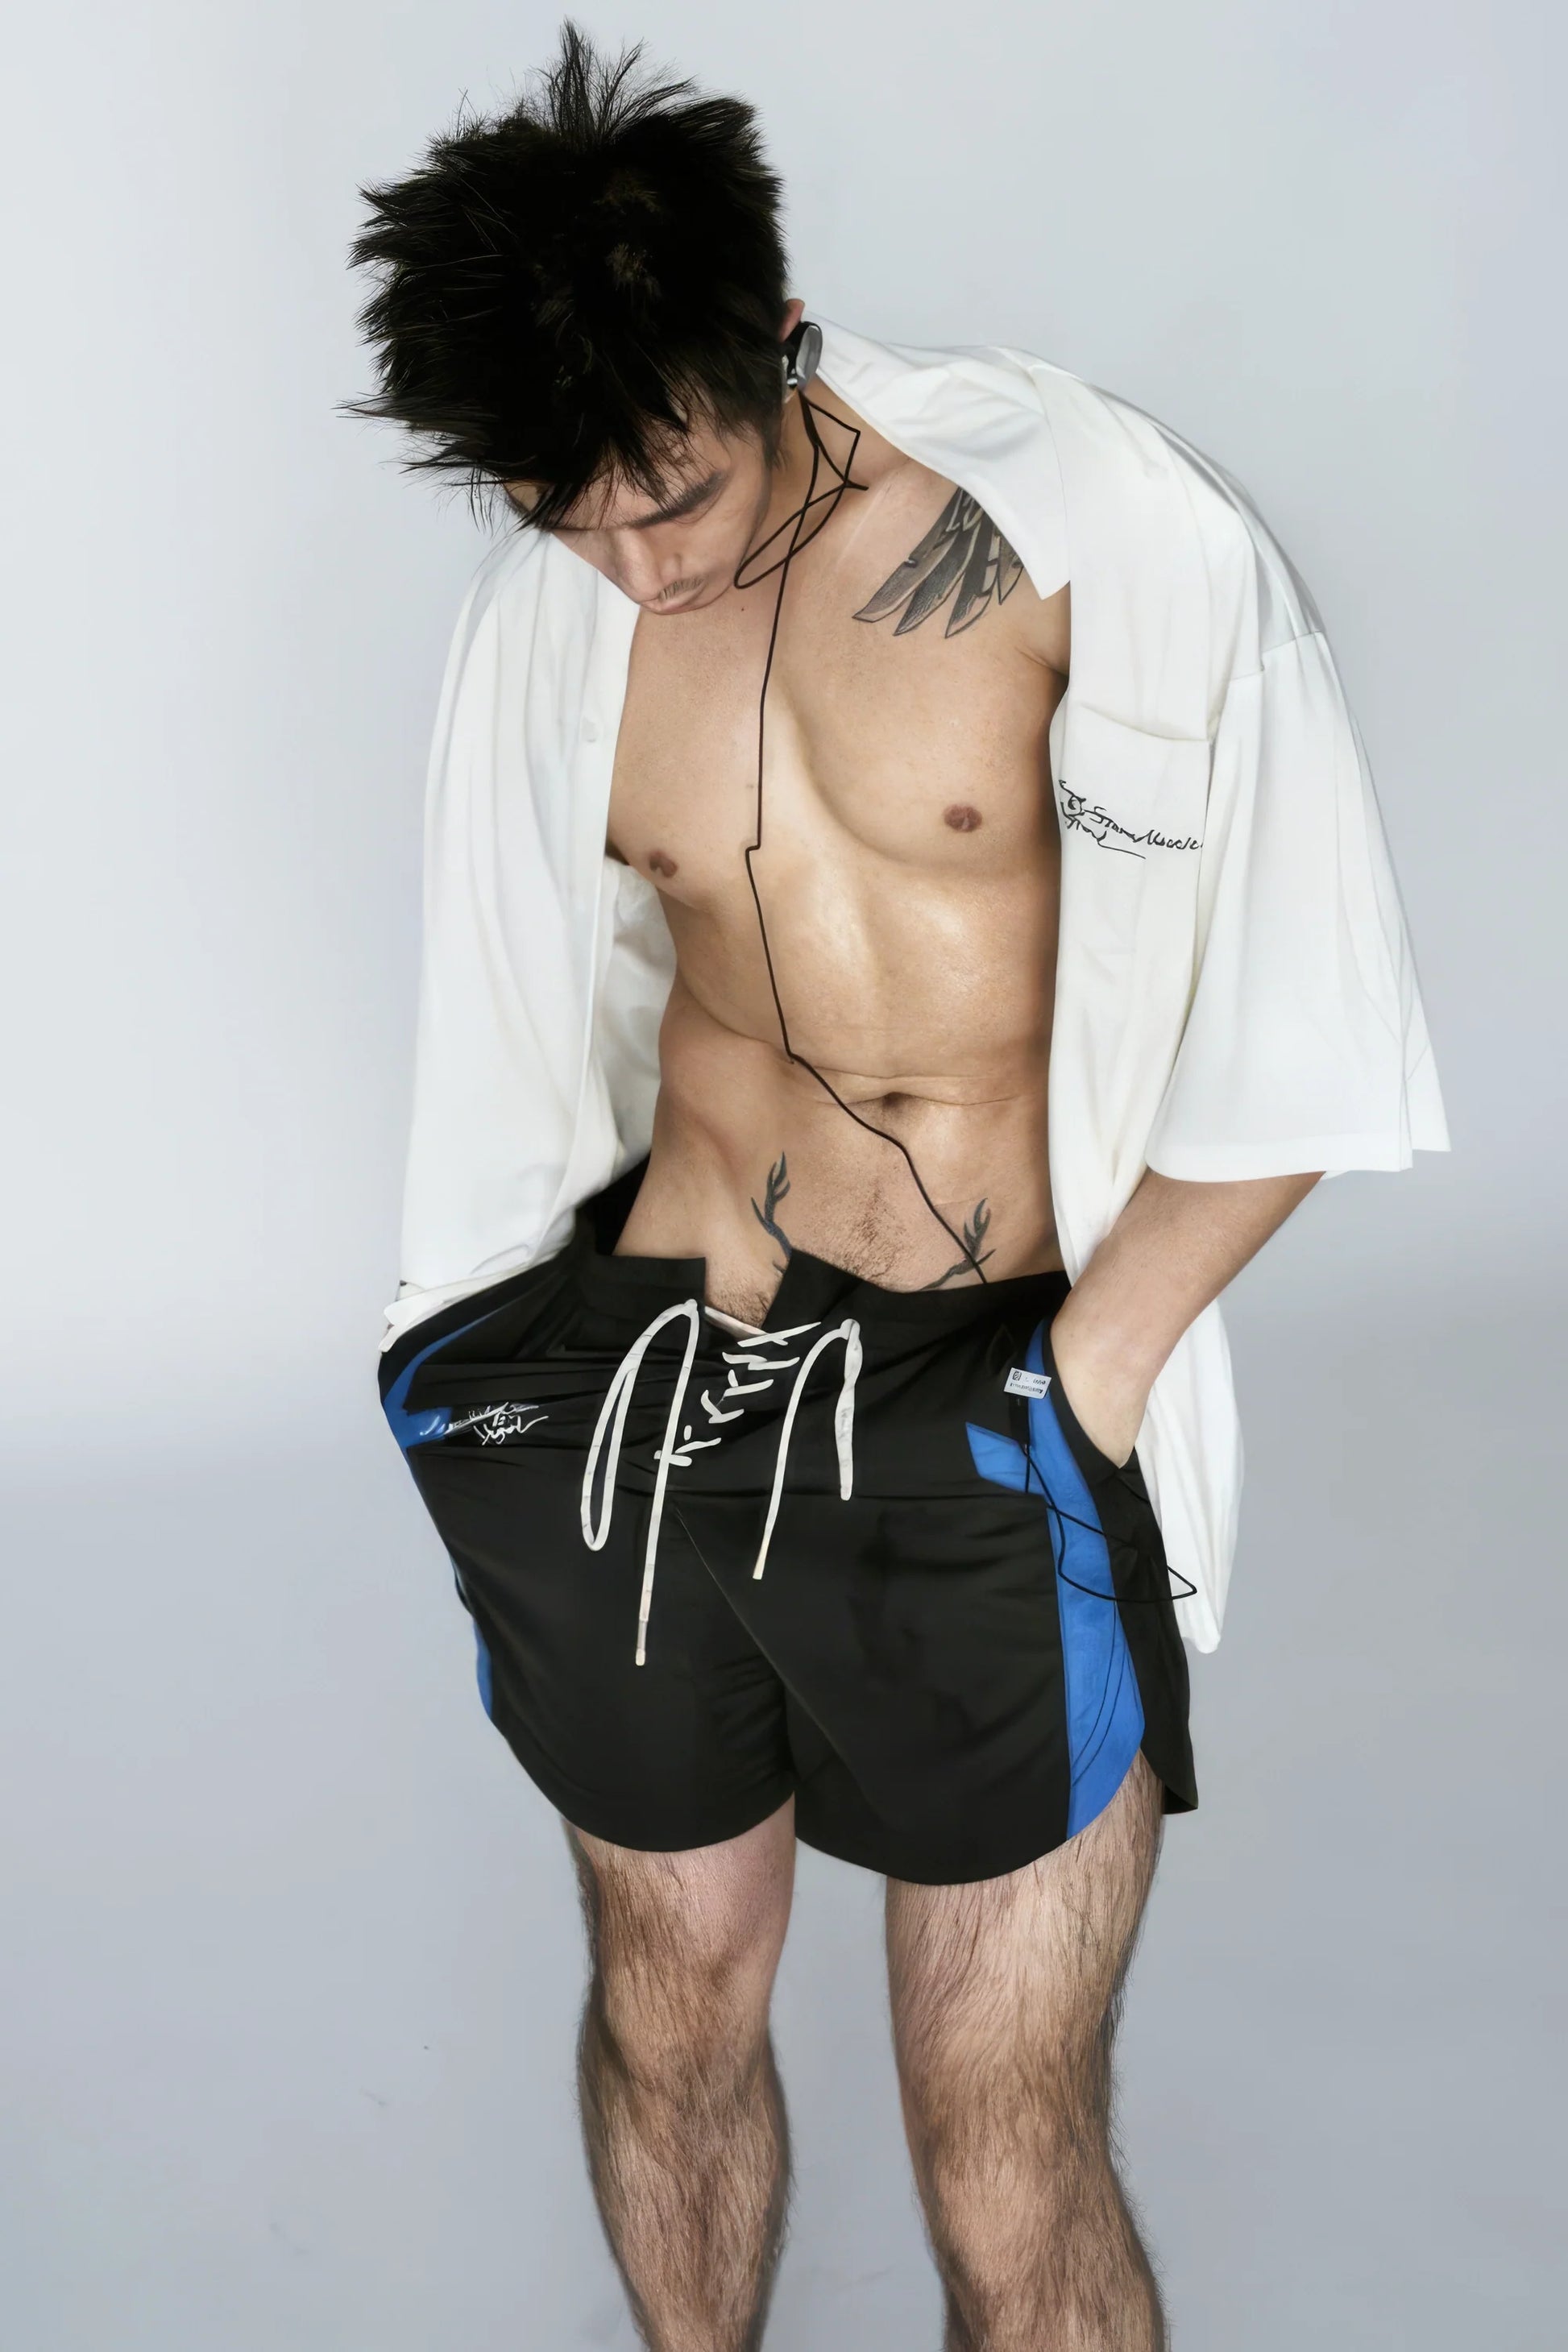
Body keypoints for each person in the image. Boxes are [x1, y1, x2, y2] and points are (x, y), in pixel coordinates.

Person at [346, 25, 1446, 2350]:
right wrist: (481, 1362)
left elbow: (1308, 1012)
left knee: (1000, 2145)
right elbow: (553, 1002)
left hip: (978, 1405)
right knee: (666, 2010)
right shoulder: (564, 614)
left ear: (777, 333)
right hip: (640, 1383)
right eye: (563, 514)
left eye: (667, 492)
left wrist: (1089, 1382)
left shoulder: (1102, 538)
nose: (632, 563)